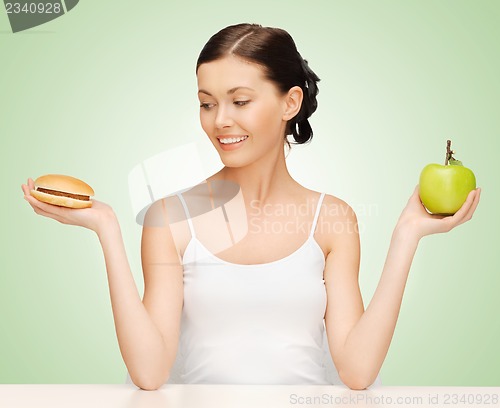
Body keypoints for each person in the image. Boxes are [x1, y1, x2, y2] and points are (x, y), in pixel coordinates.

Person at [21, 23, 481, 390]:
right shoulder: (170, 218)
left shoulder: (333, 218)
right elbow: (149, 373)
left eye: (240, 101)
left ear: (290, 103)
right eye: (206, 103)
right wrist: (107, 228)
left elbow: (357, 372)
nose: (220, 121)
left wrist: (406, 235)